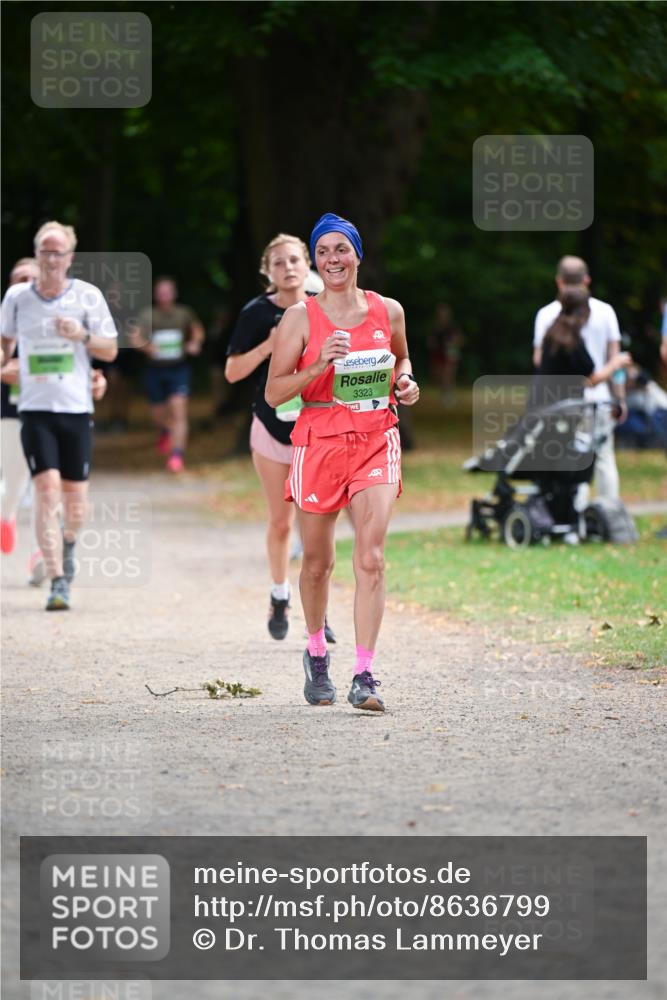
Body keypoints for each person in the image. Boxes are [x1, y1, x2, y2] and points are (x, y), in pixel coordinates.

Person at [266, 213, 420, 712]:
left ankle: (366, 674)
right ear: (316, 260)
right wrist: (318, 364)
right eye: (325, 251)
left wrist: (406, 382)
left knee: (371, 557)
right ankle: (315, 654)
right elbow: (273, 393)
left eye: (342, 249)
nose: (334, 259)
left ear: (358, 254)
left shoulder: (387, 310)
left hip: (376, 437)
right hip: (318, 442)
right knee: (317, 563)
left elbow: (402, 359)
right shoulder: (299, 318)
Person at [0, 221, 118, 610]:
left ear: (70, 257)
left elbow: (110, 351)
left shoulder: (86, 296)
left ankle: (68, 547)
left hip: (75, 409)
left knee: (75, 505)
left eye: (59, 252)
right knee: (46, 491)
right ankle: (56, 580)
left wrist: (81, 336)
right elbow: (5, 344)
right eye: (45, 252)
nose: (51, 259)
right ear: (37, 255)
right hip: (34, 410)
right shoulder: (18, 298)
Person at [225, 233, 335, 643]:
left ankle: (318, 611)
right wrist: (268, 347)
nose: (288, 268)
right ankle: (279, 593)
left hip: (320, 429)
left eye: (294, 260)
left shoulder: (325, 304)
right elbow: (232, 373)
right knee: (280, 521)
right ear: (267, 272)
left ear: (307, 264)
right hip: (272, 428)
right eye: (278, 263)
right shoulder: (256, 313)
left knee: (317, 524)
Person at [533, 256, 626, 500]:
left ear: (558, 281)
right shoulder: (605, 311)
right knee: (604, 458)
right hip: (599, 399)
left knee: (573, 456)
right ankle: (608, 511)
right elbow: (614, 362)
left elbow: (538, 361)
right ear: (586, 280)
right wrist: (620, 398)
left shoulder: (546, 314)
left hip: (560, 404)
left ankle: (576, 513)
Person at [130, 276, 204, 472]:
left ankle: (177, 456)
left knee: (179, 409)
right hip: (155, 370)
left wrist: (195, 343)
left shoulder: (183, 313)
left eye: (168, 292)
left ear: (174, 294)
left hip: (178, 369)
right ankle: (164, 431)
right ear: (156, 295)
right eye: (161, 292)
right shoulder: (148, 315)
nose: (164, 296)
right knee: (158, 414)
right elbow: (134, 336)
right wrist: (146, 347)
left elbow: (197, 330)